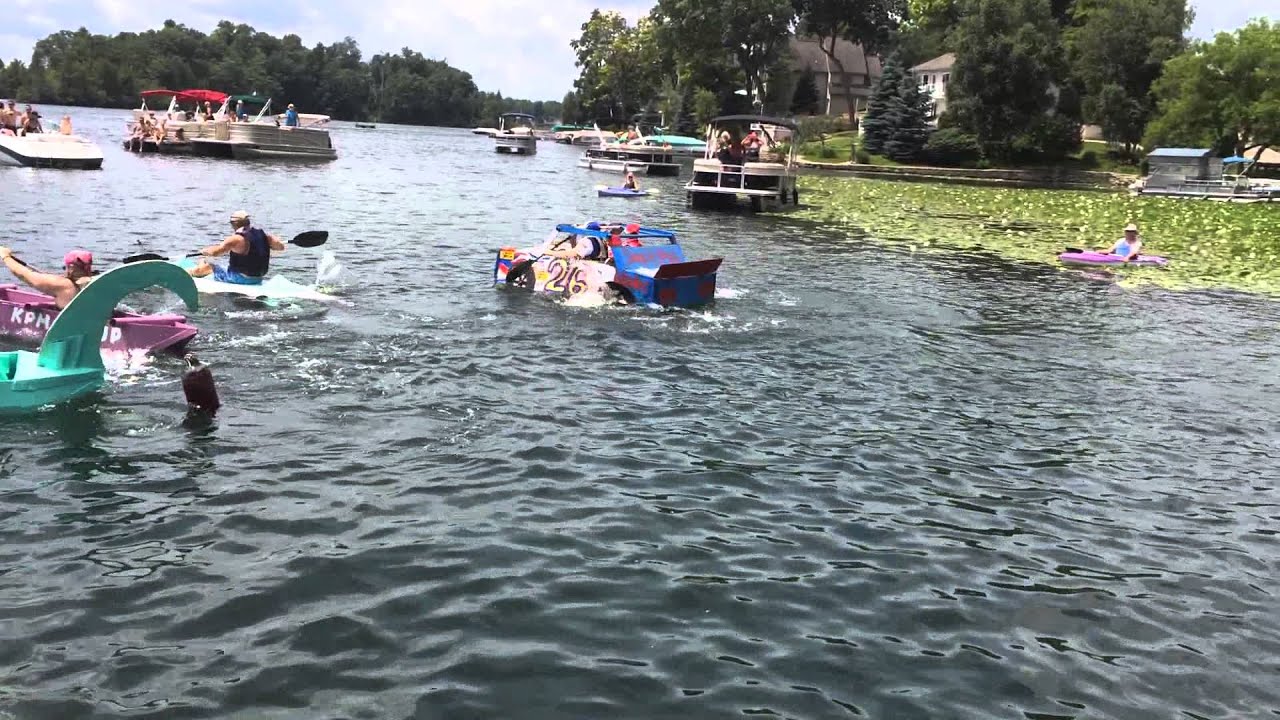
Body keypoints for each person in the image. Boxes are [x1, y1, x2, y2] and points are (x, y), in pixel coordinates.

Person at [187, 211, 285, 285]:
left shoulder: (236, 239)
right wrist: (273, 241)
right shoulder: (265, 236)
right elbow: (281, 247)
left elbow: (215, 252)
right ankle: (200, 263)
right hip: (258, 278)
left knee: (209, 266)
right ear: (248, 222)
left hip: (241, 279)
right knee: (213, 262)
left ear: (234, 224)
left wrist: (205, 251)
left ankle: (188, 273)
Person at [0, 247, 94, 309]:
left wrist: (5, 256)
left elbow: (24, 275)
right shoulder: (95, 282)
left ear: (72, 268)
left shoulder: (63, 285)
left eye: (65, 267)